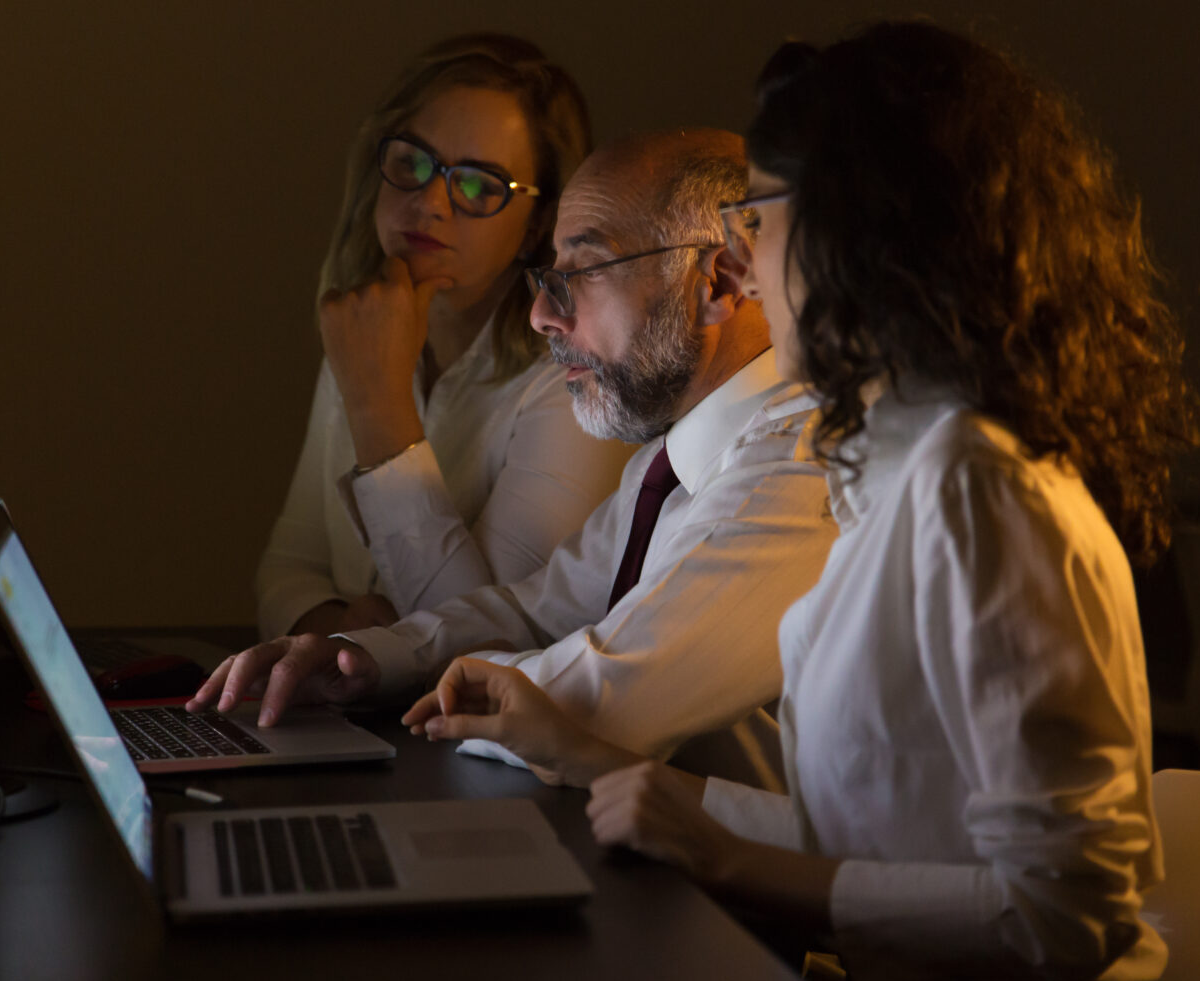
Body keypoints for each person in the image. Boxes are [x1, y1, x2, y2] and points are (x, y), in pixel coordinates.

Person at [399, 22, 1200, 981]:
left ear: (863, 236)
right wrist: (600, 763)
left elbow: (1072, 914)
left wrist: (730, 857)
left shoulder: (977, 486)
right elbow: (893, 841)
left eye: (760, 217)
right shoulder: (886, 463)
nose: (741, 260)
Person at [193, 129, 837, 784]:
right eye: (550, 276)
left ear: (720, 282)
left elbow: (593, 709)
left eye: (582, 272)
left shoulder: (798, 473)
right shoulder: (668, 466)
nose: (541, 315)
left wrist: (459, 681)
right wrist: (361, 661)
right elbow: (538, 612)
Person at [256, 34, 633, 639]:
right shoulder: (364, 328)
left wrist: (379, 406)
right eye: (413, 164)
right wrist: (337, 631)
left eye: (479, 185)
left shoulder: (570, 378)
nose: (430, 202)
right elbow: (285, 569)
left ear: (538, 223)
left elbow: (492, 640)